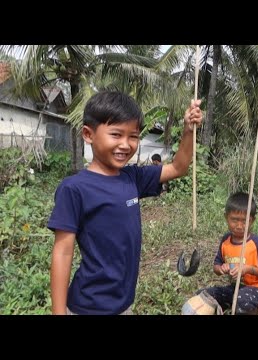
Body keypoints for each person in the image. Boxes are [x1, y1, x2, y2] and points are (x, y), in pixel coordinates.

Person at [48, 91, 202, 315]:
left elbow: (178, 168)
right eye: (116, 134)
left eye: (133, 136)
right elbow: (62, 253)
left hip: (124, 305)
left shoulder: (132, 178)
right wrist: (58, 312)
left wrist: (188, 130)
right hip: (88, 307)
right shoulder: (74, 189)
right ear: (88, 134)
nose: (125, 144)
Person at [188, 192, 258, 315]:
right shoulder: (226, 241)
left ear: (252, 221)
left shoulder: (257, 243)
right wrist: (221, 269)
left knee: (242, 300)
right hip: (236, 289)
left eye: (245, 221)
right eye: (234, 220)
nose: (239, 226)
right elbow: (216, 266)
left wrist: (249, 269)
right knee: (203, 296)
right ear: (226, 217)